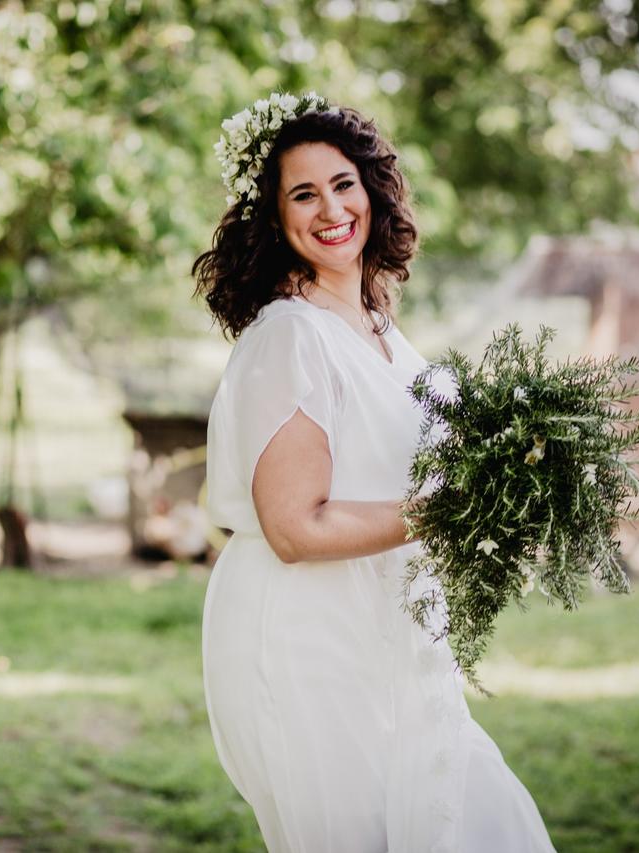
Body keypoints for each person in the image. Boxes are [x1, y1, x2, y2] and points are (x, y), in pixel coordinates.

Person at [192, 92, 558, 853]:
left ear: (372, 191)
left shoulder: (381, 333)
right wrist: (444, 512)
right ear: (273, 217)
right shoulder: (291, 338)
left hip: (392, 631)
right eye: (303, 193)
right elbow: (294, 527)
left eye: (343, 184)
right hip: (310, 639)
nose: (330, 208)